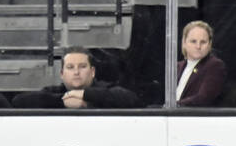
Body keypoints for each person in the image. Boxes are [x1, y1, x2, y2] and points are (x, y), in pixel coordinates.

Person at [12, 46, 140, 108]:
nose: (76, 72)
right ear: (62, 74)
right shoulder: (56, 92)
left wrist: (85, 95)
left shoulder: (106, 89)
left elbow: (131, 99)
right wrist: (64, 100)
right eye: (70, 67)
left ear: (93, 72)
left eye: (82, 66)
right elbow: (19, 101)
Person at [176, 20, 227, 107]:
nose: (198, 46)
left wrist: (174, 106)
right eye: (193, 41)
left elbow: (204, 98)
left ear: (210, 44)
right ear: (184, 43)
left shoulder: (215, 66)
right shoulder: (177, 66)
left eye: (203, 42)